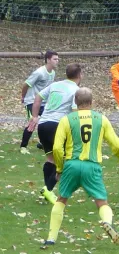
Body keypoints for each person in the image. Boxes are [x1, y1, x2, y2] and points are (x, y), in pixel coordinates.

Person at [41, 87, 119, 248]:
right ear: (92, 102)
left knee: (61, 200)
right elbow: (116, 144)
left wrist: (59, 168)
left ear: (75, 101)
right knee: (102, 202)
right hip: (92, 166)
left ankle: (51, 238)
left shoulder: (67, 119)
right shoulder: (101, 119)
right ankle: (107, 222)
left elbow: (58, 148)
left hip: (71, 165)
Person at [27, 63, 82, 204]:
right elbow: (75, 113)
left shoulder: (55, 85)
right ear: (79, 75)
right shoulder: (76, 90)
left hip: (44, 125)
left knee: (51, 159)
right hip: (58, 126)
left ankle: (47, 192)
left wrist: (34, 116)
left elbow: (38, 97)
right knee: (65, 161)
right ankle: (49, 189)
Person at [19, 50, 59, 154]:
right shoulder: (39, 72)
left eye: (58, 59)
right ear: (48, 60)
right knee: (33, 122)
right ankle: (23, 147)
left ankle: (42, 143)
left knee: (49, 121)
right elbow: (26, 84)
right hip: (31, 101)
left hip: (43, 102)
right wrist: (23, 97)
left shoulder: (53, 73)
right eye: (55, 59)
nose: (57, 61)